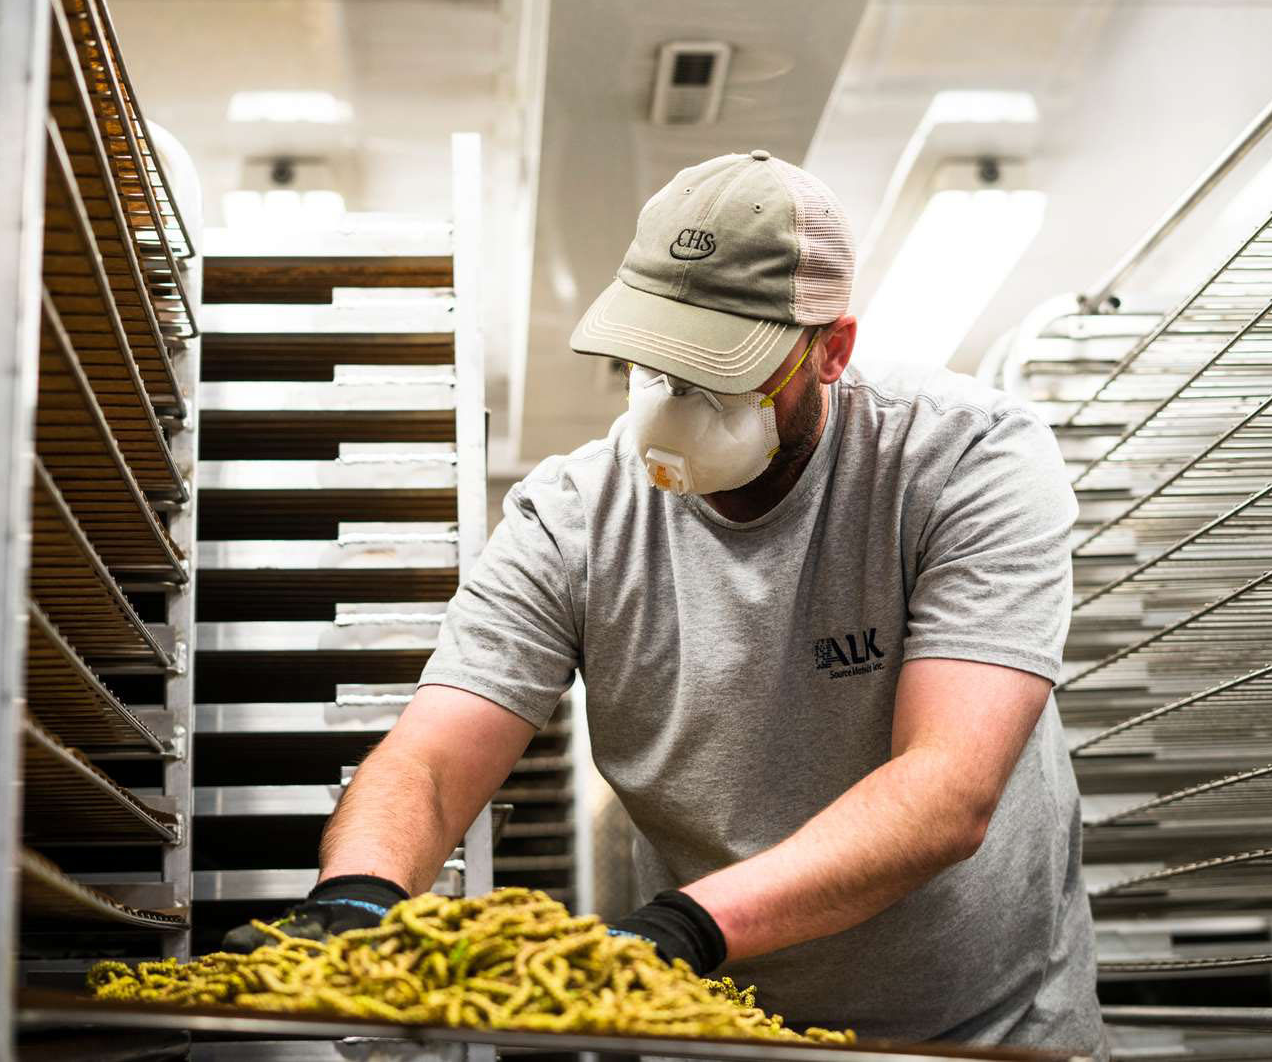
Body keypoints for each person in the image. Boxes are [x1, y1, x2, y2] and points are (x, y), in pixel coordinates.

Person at [223, 150, 1107, 1058]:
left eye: (717, 373)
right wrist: (359, 898)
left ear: (831, 349)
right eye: (655, 364)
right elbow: (432, 758)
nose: (673, 405)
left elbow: (947, 790)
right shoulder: (572, 516)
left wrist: (684, 928)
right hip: (729, 1029)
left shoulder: (966, 460)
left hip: (986, 1029)